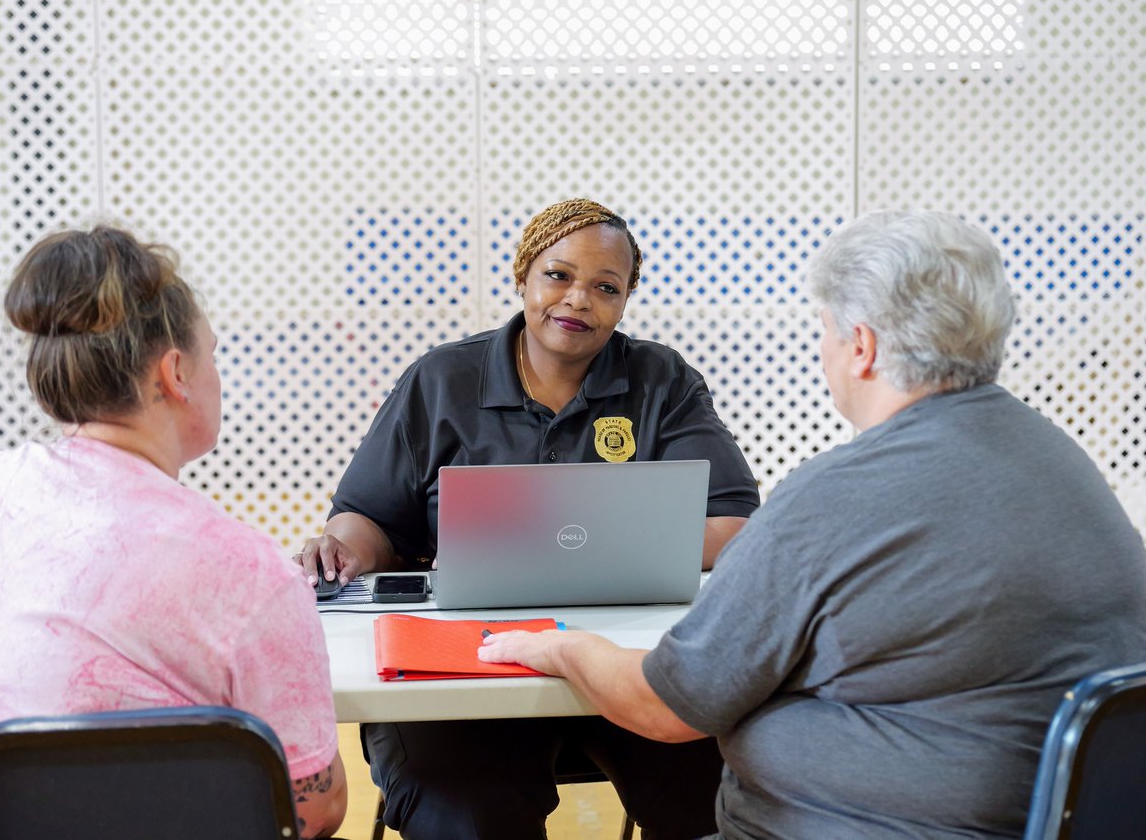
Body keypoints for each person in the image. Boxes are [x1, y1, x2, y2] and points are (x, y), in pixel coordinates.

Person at [479, 209, 1146, 839]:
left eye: (825, 328)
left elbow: (664, 705)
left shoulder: (839, 495)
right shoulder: (1062, 462)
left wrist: (558, 646)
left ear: (860, 345)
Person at [299, 198, 761, 840]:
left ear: (625, 302)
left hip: (624, 663)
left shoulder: (662, 381)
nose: (578, 299)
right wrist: (344, 549)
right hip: (461, 669)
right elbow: (369, 519)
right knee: (467, 815)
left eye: (606, 287)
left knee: (721, 800)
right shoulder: (441, 381)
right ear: (523, 277)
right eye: (558, 276)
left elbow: (734, 524)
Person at [0, 226, 347, 838]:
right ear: (176, 373)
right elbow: (314, 808)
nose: (217, 374)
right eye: (213, 355)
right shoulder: (252, 573)